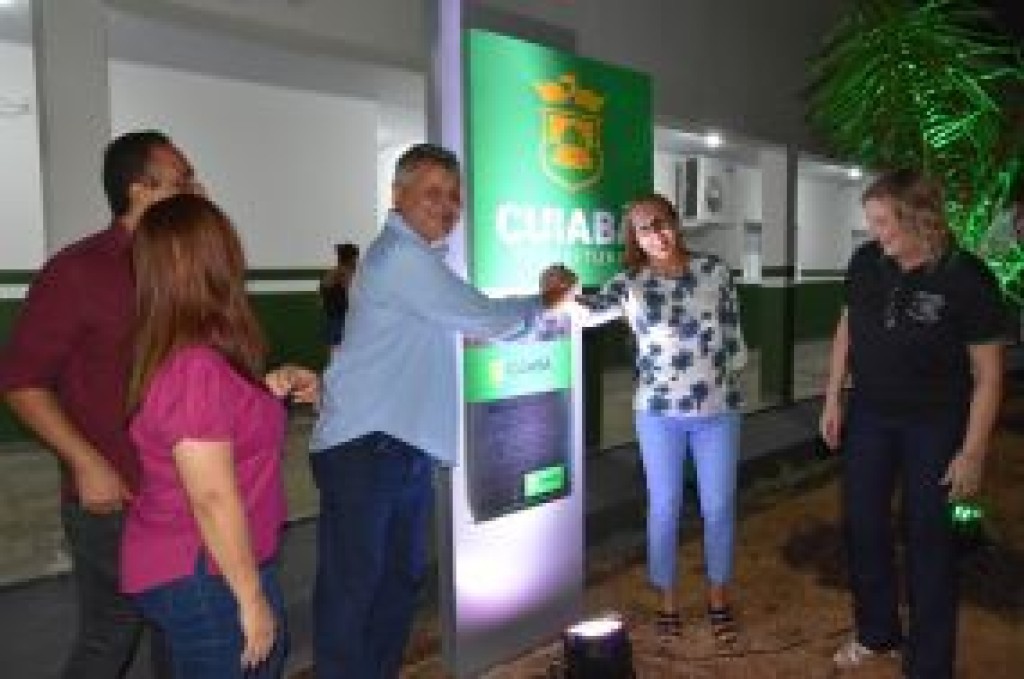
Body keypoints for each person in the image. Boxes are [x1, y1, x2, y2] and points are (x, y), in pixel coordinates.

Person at [308, 142, 573, 678]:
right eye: (432, 193)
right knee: (354, 594)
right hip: (367, 449)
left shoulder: (419, 260)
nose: (447, 206)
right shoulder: (400, 256)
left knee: (394, 587)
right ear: (397, 195)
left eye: (454, 196)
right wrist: (544, 302)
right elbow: (482, 316)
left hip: (396, 448)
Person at [0, 130, 200, 678]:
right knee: (111, 632)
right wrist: (86, 463)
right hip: (117, 496)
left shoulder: (181, 267)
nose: (196, 189)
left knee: (178, 629)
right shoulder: (79, 271)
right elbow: (21, 381)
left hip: (184, 489)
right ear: (140, 190)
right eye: (182, 180)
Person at [820, 169, 1005, 678]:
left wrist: (972, 452)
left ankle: (928, 664)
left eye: (883, 222)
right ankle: (877, 632)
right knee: (863, 526)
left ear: (919, 219)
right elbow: (846, 329)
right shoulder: (866, 262)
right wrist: (833, 397)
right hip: (870, 415)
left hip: (936, 423)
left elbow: (988, 376)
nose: (874, 233)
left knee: (929, 539)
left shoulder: (966, 277)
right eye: (871, 221)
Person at [122, 194, 316, 678]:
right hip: (204, 569)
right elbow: (210, 496)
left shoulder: (202, 357)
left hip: (215, 565)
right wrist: (249, 598)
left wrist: (271, 388)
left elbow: (222, 426)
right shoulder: (194, 369)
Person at [562, 192, 747, 642]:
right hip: (658, 414)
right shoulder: (630, 282)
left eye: (660, 222)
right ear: (636, 238)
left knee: (718, 507)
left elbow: (733, 337)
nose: (655, 234)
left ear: (675, 223)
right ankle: (667, 599)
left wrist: (725, 378)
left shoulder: (714, 271)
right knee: (663, 508)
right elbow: (586, 313)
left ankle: (718, 596)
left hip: (717, 411)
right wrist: (560, 291)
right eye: (644, 229)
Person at [319, 242, 360, 347]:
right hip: (340, 318)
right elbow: (350, 292)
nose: (357, 261)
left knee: (336, 348)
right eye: (355, 258)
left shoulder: (334, 272)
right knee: (341, 348)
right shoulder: (342, 272)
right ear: (350, 258)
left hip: (335, 317)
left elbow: (322, 298)